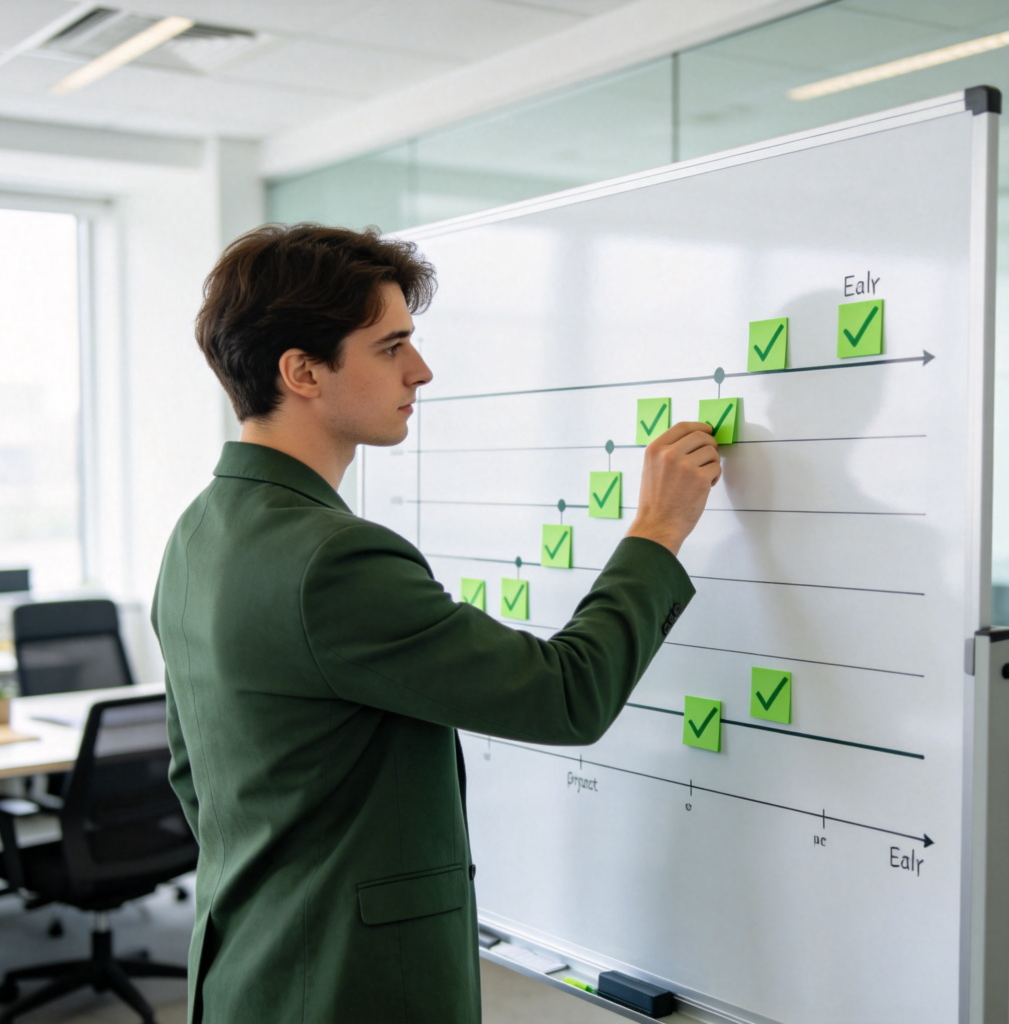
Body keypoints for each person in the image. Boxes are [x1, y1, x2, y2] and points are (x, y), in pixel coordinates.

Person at [151, 222, 720, 1024]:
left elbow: (194, 776)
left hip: (250, 963)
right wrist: (657, 530)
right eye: (390, 348)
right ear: (302, 372)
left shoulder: (201, 529)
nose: (421, 370)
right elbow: (567, 696)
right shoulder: (333, 559)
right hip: (351, 988)